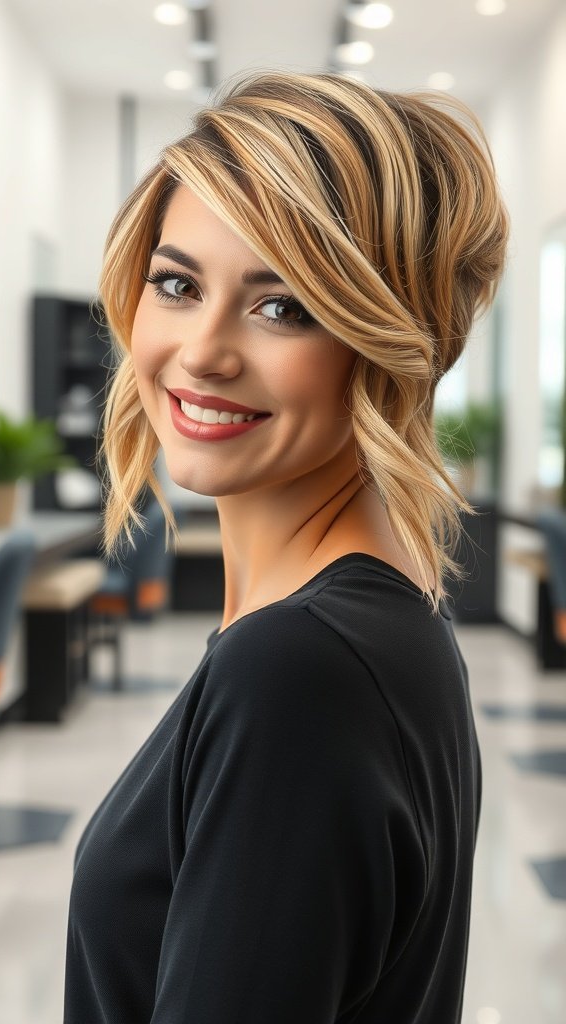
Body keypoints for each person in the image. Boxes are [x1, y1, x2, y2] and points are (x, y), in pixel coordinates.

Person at [63, 69, 508, 1023]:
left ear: (382, 337)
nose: (204, 350)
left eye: (283, 306)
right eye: (177, 284)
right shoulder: (378, 616)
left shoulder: (298, 670)